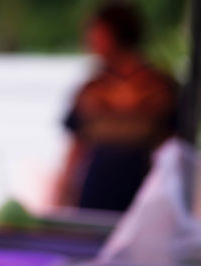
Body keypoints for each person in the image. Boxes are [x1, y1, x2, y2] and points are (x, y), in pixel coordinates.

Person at [53, 1, 177, 211]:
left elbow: (171, 147)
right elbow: (77, 147)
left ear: (115, 35)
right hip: (95, 195)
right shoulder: (91, 90)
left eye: (96, 32)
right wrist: (61, 195)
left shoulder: (159, 88)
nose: (89, 40)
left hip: (144, 194)